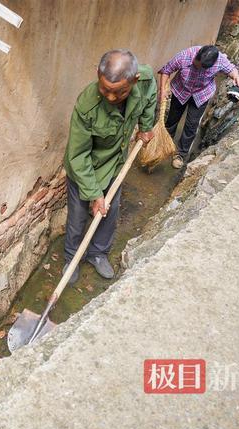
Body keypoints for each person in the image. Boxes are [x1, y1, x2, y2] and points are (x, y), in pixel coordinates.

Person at [63, 49, 156, 283]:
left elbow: (149, 98)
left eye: (120, 92)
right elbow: (78, 154)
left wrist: (145, 126)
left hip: (116, 163)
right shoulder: (87, 105)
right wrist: (94, 194)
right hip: (86, 168)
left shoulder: (143, 79)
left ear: (134, 81)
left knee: (110, 212)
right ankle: (72, 257)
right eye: (105, 90)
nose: (111, 98)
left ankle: (98, 253)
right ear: (97, 75)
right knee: (77, 217)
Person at [158, 45, 239, 169]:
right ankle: (164, 144)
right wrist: (162, 90)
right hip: (181, 90)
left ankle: (180, 154)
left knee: (191, 125)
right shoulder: (185, 56)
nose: (197, 68)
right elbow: (166, 71)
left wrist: (237, 77)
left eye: (202, 68)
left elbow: (231, 69)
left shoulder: (220, 60)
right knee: (172, 120)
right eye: (196, 65)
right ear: (197, 55)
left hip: (201, 95)